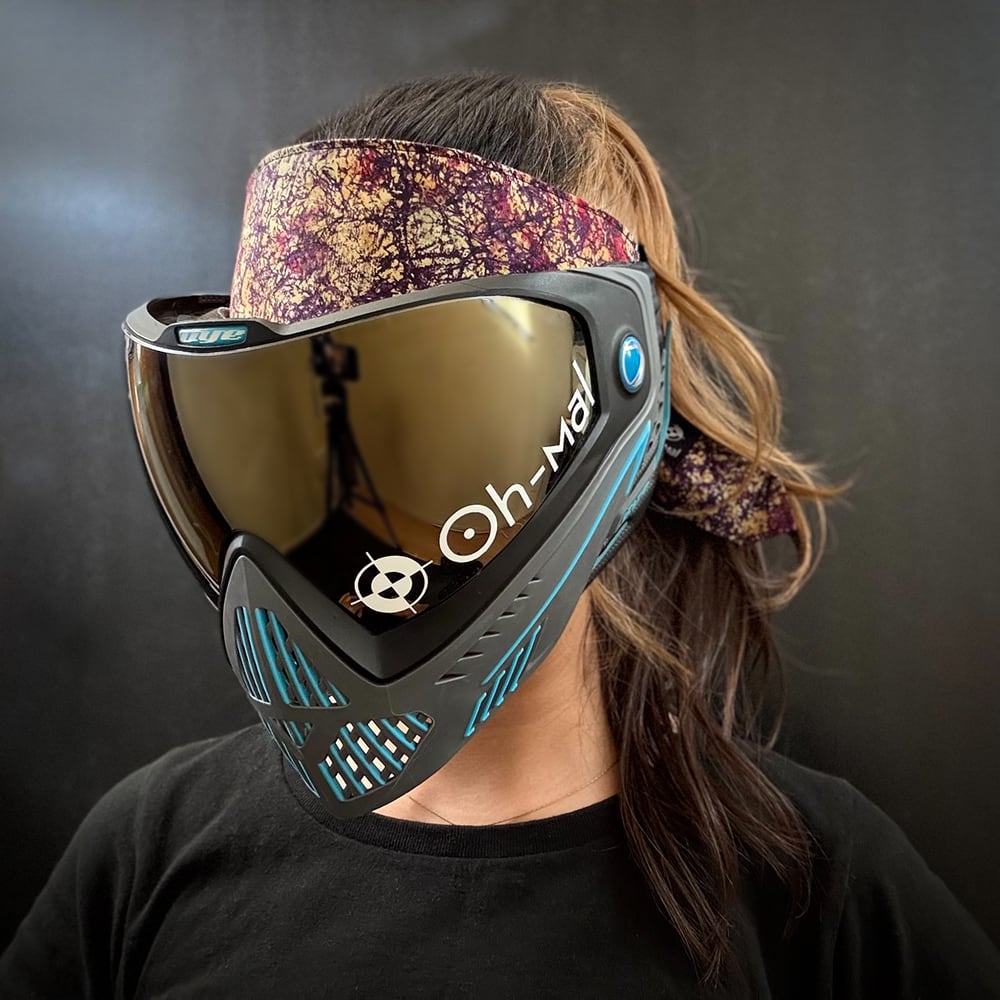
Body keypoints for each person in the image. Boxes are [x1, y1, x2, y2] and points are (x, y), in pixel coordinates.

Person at [3, 72, 999, 999]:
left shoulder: (814, 887)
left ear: (615, 391)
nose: (355, 536)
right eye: (293, 446)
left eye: (436, 430)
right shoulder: (147, 852)